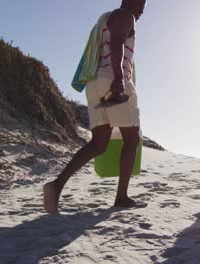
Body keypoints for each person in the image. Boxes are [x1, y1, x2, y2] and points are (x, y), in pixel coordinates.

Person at [44, 0, 147, 215]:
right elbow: (116, 44)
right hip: (112, 79)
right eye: (141, 2)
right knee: (132, 138)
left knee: (99, 144)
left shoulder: (107, 17)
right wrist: (119, 77)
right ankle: (121, 197)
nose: (142, 8)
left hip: (95, 82)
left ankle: (56, 186)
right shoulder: (124, 15)